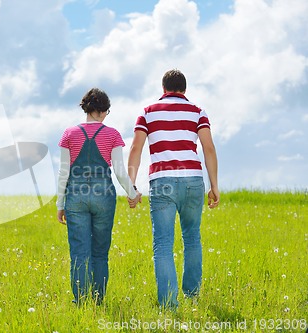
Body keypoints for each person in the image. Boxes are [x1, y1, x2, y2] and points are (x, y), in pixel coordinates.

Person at [127, 69, 220, 309]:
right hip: (192, 179)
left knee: (163, 244)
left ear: (163, 89)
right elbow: (208, 148)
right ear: (184, 90)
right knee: (192, 238)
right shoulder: (198, 111)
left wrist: (131, 185)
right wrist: (214, 185)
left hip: (162, 181)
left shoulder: (147, 112)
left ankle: (169, 304)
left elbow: (136, 149)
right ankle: (192, 296)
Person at [56, 88, 141, 305]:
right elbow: (120, 171)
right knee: (100, 253)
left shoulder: (69, 134)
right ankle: (98, 300)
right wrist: (133, 193)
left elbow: (63, 172)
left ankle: (81, 302)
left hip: (76, 197)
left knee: (79, 253)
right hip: (104, 197)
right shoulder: (112, 134)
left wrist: (60, 203)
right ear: (102, 110)